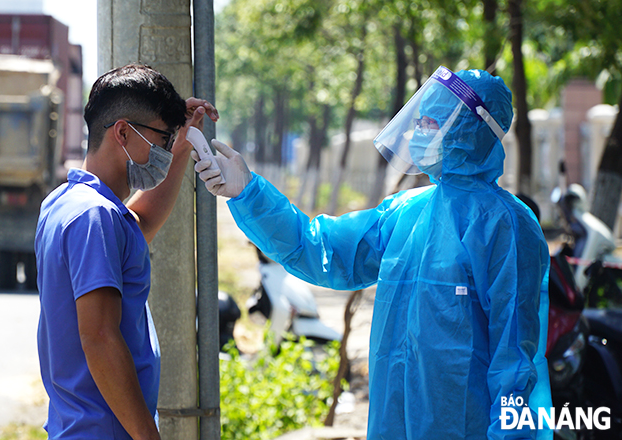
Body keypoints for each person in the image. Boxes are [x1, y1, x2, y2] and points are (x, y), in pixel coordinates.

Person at [194, 67, 552, 439]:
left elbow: (515, 362)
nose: (420, 129)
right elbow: (319, 247)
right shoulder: (406, 212)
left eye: (434, 120)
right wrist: (248, 192)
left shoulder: (507, 226)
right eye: (421, 118)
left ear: (471, 128)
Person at [35, 63, 218, 439]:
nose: (165, 152)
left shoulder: (69, 204)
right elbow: (100, 336)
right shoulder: (94, 218)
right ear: (122, 132)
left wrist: (182, 145)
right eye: (162, 139)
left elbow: (141, 224)